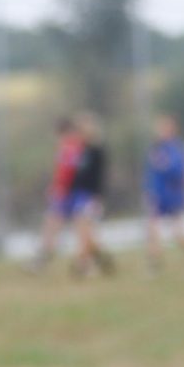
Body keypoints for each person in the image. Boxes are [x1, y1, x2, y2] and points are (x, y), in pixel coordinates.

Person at [25, 116, 84, 273]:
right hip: (66, 193)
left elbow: (68, 173)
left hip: (68, 194)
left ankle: (43, 260)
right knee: (54, 227)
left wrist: (58, 188)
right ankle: (43, 259)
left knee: (55, 227)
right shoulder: (70, 147)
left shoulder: (71, 148)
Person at [144, 114, 184, 270]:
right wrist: (148, 191)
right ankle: (154, 263)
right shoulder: (155, 148)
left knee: (177, 232)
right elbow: (150, 172)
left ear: (172, 129)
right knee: (152, 228)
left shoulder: (177, 148)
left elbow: (180, 172)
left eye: (165, 128)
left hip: (172, 195)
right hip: (157, 194)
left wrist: (166, 166)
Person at [68, 111, 115, 278]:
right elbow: (75, 175)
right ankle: (98, 258)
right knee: (82, 232)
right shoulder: (79, 150)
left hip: (91, 196)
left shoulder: (97, 151)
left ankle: (84, 264)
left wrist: (97, 197)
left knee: (86, 231)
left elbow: (99, 176)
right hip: (77, 195)